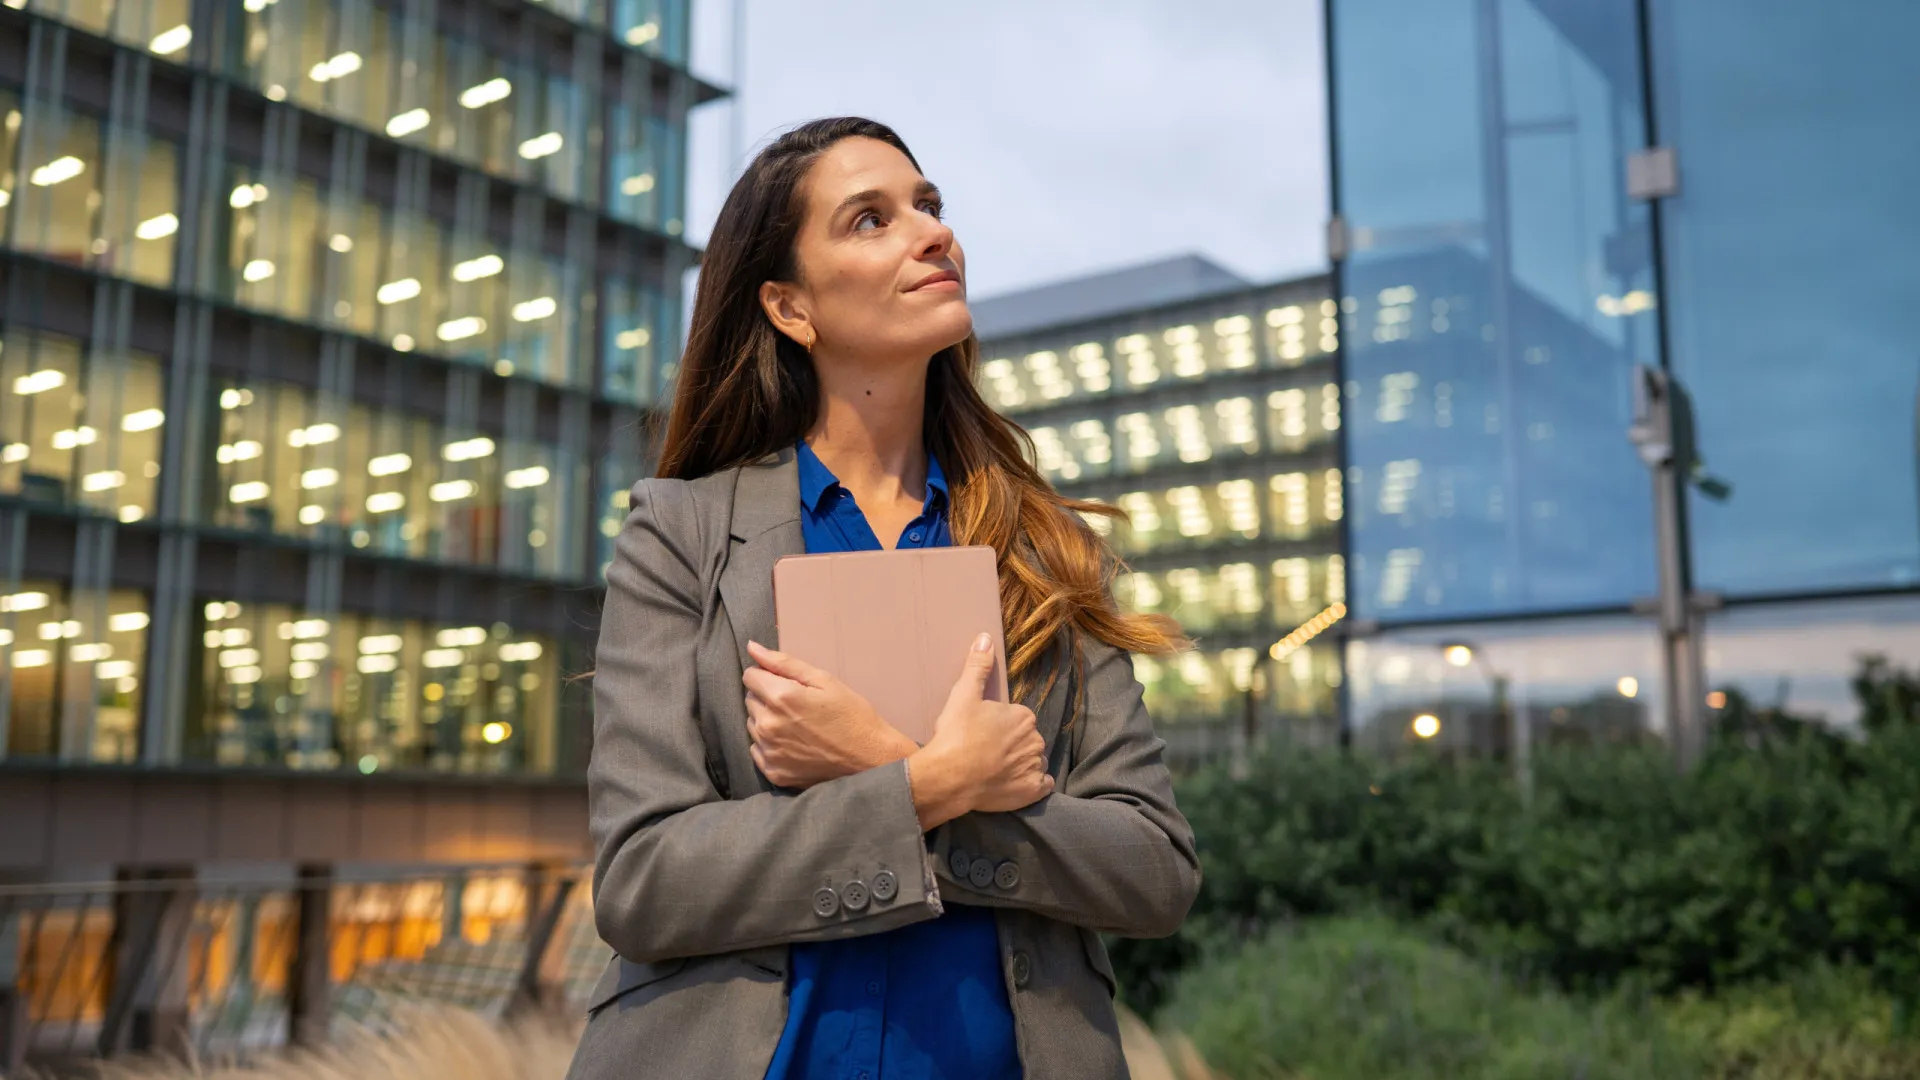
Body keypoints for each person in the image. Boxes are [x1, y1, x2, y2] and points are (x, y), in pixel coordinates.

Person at [568, 117, 1199, 1080]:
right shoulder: (680, 533)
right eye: (870, 219)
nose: (931, 233)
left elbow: (1155, 869)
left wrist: (880, 762)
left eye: (930, 207)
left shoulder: (1044, 555)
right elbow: (644, 879)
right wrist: (927, 785)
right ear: (790, 307)